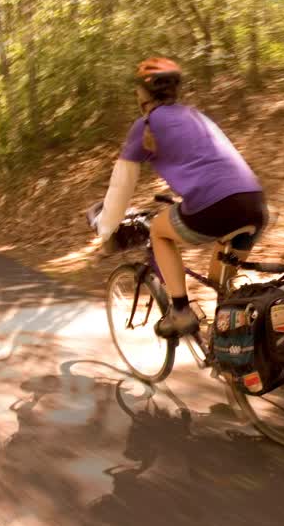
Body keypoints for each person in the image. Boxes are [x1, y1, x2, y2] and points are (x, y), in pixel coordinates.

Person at [91, 57, 269, 338]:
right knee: (221, 285)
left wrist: (105, 229)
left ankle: (180, 311)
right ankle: (231, 343)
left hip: (214, 204)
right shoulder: (196, 116)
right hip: (254, 204)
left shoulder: (146, 125)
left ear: (143, 92)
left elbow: (120, 187)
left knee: (159, 232)